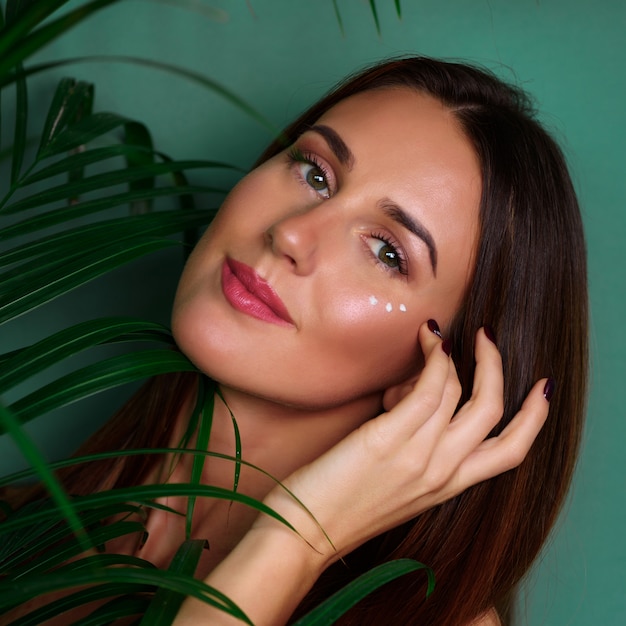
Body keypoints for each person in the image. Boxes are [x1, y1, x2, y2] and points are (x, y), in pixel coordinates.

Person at [5, 56, 588, 625]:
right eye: (316, 174)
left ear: (441, 373)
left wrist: (297, 536)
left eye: (387, 252)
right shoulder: (22, 532)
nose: (289, 232)